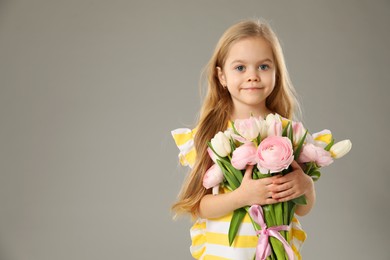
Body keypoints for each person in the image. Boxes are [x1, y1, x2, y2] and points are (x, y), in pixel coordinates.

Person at [171, 19, 315, 260]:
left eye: (263, 67)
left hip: (275, 252)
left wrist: (306, 186)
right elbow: (200, 206)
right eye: (240, 68)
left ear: (277, 73)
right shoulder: (212, 134)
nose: (252, 76)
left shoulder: (290, 134)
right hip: (227, 254)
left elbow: (302, 207)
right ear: (221, 76)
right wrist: (242, 197)